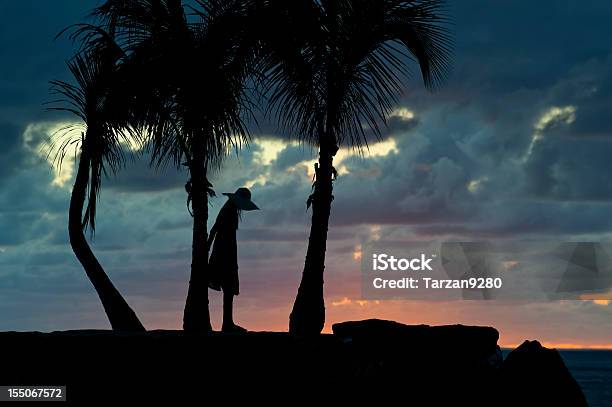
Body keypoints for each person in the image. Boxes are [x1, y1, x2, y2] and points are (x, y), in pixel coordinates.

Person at [208, 187, 259, 332]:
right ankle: (227, 323)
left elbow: (214, 229)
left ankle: (228, 322)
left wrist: (208, 246)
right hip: (224, 252)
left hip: (225, 251)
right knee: (228, 288)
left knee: (228, 289)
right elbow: (216, 229)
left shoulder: (229, 210)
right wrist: (207, 247)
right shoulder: (228, 211)